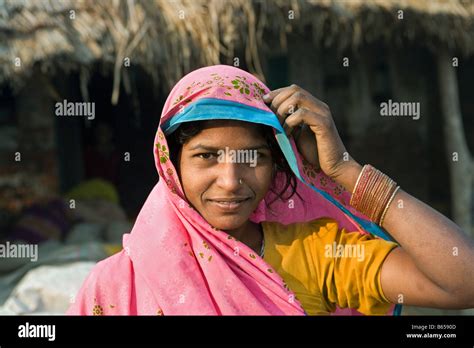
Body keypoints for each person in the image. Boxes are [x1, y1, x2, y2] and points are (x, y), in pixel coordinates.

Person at [67, 65, 474, 315]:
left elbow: (463, 281)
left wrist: (344, 169)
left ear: (277, 164)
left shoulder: (316, 255)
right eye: (207, 156)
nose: (230, 181)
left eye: (252, 157)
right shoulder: (116, 285)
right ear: (170, 164)